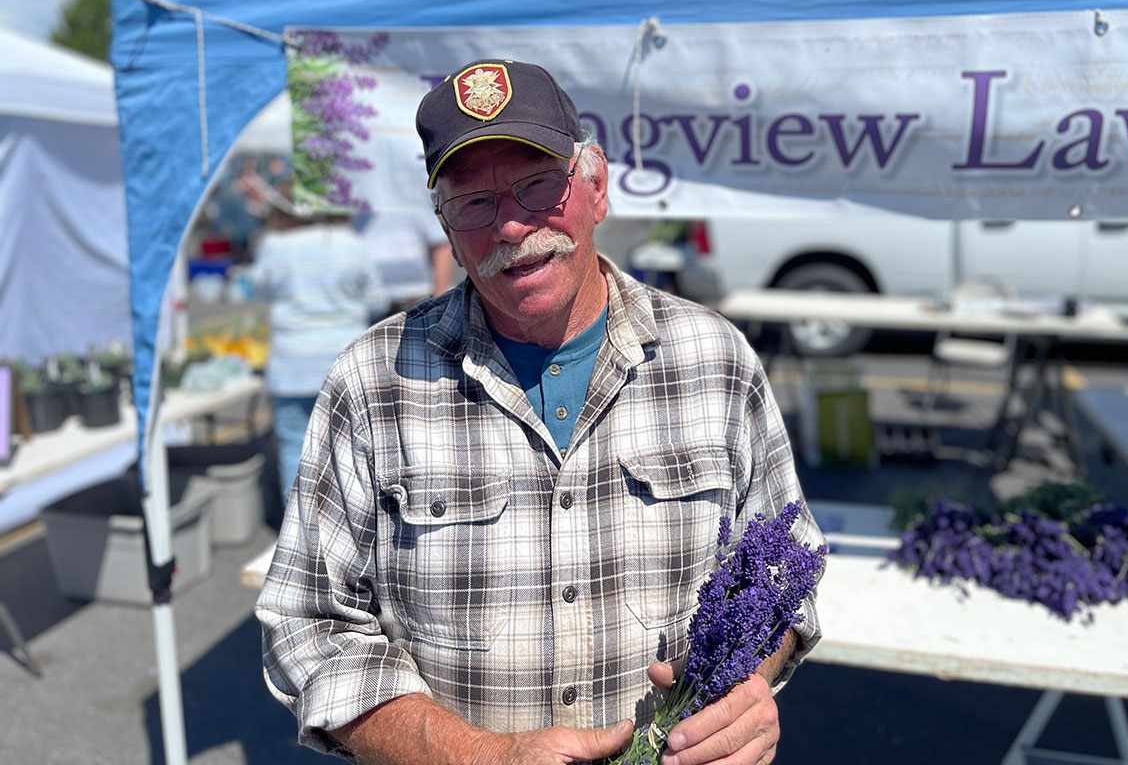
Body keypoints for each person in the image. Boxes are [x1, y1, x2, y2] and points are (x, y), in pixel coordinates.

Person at [257, 59, 824, 765]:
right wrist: (475, 757)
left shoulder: (715, 358)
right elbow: (309, 626)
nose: (515, 224)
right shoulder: (372, 383)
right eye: (475, 203)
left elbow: (785, 572)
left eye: (538, 185)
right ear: (445, 224)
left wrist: (747, 701)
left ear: (596, 186)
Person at [247, 185, 385, 503]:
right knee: (350, 452)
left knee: (295, 448)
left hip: (291, 365)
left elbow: (257, 289)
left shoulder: (275, 245)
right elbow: (376, 299)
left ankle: (299, 536)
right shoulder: (350, 243)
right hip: (344, 363)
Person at [356, 208, 453, 319]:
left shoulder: (415, 200)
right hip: (368, 308)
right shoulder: (358, 203)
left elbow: (441, 246)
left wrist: (439, 301)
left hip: (416, 303)